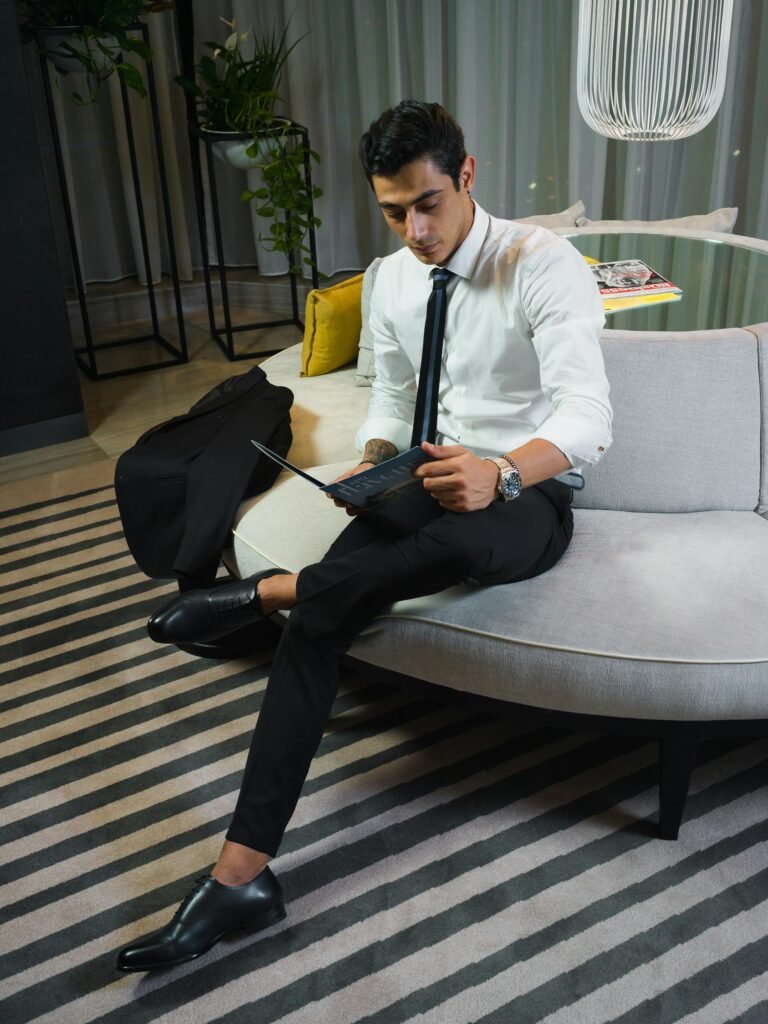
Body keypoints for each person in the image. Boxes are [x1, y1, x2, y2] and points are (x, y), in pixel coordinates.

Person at [116, 100, 612, 972]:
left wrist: (498, 473)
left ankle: (266, 591)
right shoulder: (390, 278)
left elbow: (588, 415)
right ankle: (242, 878)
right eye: (393, 210)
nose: (415, 230)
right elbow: (390, 394)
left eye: (428, 203)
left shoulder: (542, 262)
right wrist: (375, 463)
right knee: (323, 621)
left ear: (466, 176)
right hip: (424, 474)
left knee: (459, 543)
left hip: (526, 491)